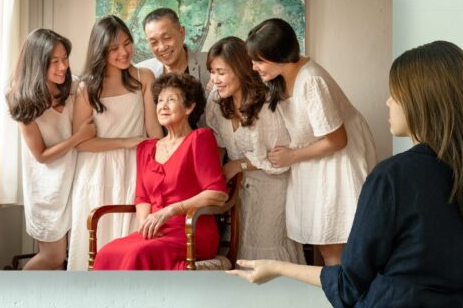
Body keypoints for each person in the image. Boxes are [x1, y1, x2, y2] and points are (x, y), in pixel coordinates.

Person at [229, 41, 463, 308]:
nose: (388, 102)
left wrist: (276, 267)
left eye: (396, 94)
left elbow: (349, 289)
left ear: (423, 101)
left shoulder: (393, 176)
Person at [246, 18, 377, 266]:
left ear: (281, 55)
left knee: (333, 245)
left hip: (337, 159)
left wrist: (291, 156)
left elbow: (338, 139)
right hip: (314, 158)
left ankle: (341, 298)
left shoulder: (312, 81)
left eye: (259, 60)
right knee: (323, 243)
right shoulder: (279, 75)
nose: (254, 67)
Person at [93, 73, 227, 270]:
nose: (163, 106)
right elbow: (142, 197)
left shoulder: (199, 138)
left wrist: (171, 210)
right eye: (160, 100)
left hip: (190, 230)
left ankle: (143, 302)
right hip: (156, 231)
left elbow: (218, 194)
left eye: (171, 100)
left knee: (138, 254)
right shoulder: (146, 148)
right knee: (107, 252)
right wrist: (145, 225)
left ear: (189, 107)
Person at [66, 16, 162, 271]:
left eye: (127, 43)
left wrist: (165, 164)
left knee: (133, 239)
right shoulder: (87, 87)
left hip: (135, 167)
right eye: (114, 48)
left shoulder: (144, 77)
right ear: (101, 50)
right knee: (98, 240)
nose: (124, 52)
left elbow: (153, 129)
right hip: (98, 170)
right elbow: (81, 143)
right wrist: (125, 141)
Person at [205, 37, 304, 263]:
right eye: (212, 72)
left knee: (265, 248)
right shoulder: (217, 99)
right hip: (238, 188)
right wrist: (215, 177)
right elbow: (219, 142)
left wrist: (237, 165)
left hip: (272, 186)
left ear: (240, 69)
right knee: (240, 247)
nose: (214, 80)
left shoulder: (267, 102)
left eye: (221, 72)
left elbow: (279, 154)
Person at [6, 29, 95, 270]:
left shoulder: (74, 86)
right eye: (54, 62)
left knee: (74, 253)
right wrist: (78, 137)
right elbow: (41, 155)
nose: (63, 66)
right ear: (37, 64)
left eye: (65, 58)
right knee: (53, 257)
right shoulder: (23, 100)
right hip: (46, 186)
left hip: (74, 178)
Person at [135, 8, 211, 87]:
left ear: (182, 33)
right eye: (154, 42)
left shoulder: (210, 63)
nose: (162, 48)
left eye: (167, 38)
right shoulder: (142, 73)